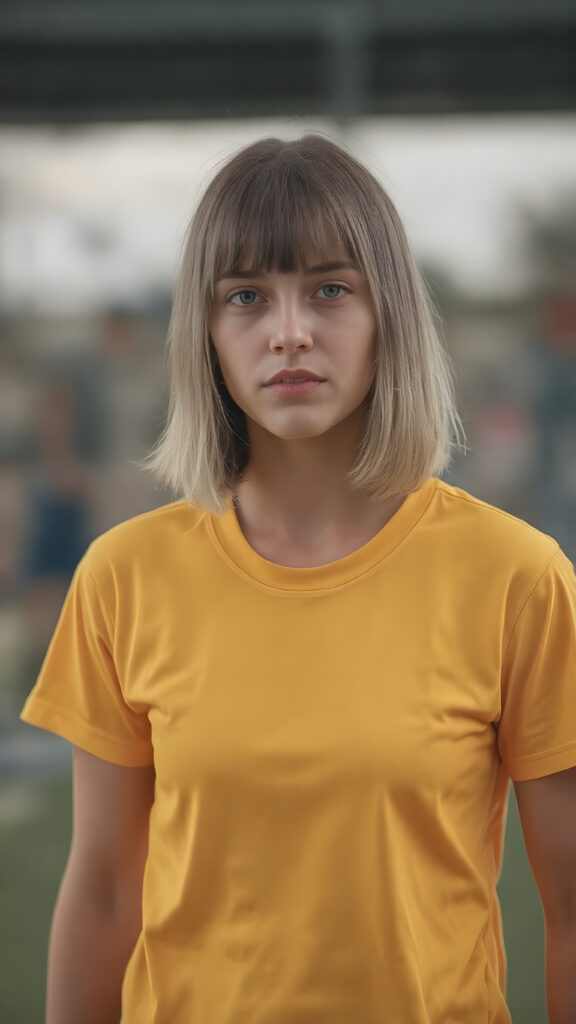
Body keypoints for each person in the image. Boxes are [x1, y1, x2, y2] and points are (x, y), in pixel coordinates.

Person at [20, 135, 576, 1024]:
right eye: (245, 296)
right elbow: (103, 890)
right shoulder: (124, 577)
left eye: (329, 288)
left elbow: (571, 915)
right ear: (203, 332)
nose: (289, 331)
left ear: (387, 311)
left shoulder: (518, 578)